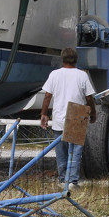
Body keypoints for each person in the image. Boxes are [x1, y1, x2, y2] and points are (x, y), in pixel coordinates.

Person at [39, 47, 96, 186]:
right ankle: (72, 181)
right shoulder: (82, 75)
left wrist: (44, 113)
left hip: (59, 115)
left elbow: (47, 96)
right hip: (77, 113)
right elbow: (89, 98)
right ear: (76, 60)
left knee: (61, 151)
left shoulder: (54, 74)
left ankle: (63, 178)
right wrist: (93, 112)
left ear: (62, 59)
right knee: (76, 151)